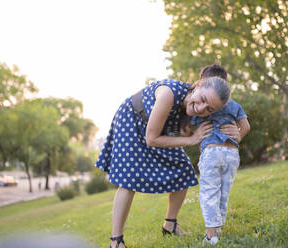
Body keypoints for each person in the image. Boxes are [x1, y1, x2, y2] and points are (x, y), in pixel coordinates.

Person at [95, 76, 241, 248]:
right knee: (128, 180)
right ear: (198, 86)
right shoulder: (168, 94)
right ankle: (116, 241)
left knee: (184, 170)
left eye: (209, 109)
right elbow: (152, 139)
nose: (201, 108)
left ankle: (170, 225)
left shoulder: (196, 107)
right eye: (202, 99)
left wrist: (237, 132)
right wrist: (191, 140)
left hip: (157, 130)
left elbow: (220, 127)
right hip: (133, 119)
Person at [191, 64, 250, 246]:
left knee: (209, 192)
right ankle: (218, 229)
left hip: (212, 152)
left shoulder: (202, 103)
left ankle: (211, 237)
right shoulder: (233, 105)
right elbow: (246, 127)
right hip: (232, 153)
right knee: (224, 193)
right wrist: (237, 136)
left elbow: (188, 126)